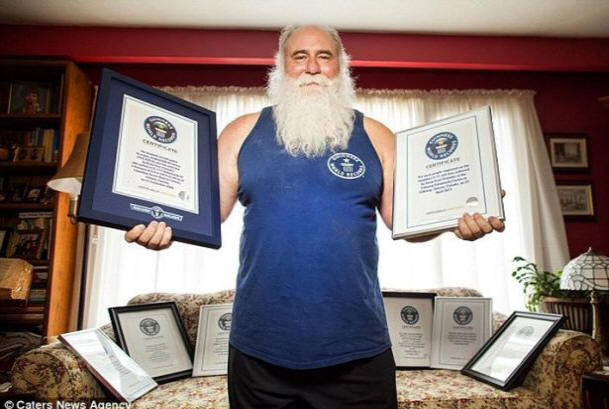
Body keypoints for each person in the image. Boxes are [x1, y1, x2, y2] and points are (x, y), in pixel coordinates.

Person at [125, 25, 505, 409]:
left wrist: (453, 219)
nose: (311, 67)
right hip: (259, 349)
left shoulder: (377, 136)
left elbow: (406, 223)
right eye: (299, 56)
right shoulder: (240, 132)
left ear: (342, 66)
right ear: (281, 66)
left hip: (358, 348)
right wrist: (158, 222)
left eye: (324, 56)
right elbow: (204, 214)